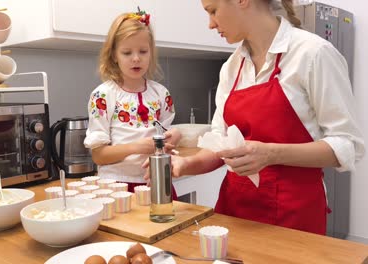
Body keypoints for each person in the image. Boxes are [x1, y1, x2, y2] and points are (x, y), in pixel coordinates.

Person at [145, 0, 365, 235]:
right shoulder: (232, 67)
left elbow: (347, 145)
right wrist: (187, 164)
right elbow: (220, 140)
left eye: (213, 10)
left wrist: (271, 153)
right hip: (235, 210)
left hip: (294, 216)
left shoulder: (312, 54)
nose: (210, 24)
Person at [84, 10, 181, 196]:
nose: (136, 58)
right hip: (115, 186)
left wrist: (174, 136)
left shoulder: (161, 94)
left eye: (143, 51)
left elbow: (165, 140)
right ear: (113, 55)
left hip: (157, 181)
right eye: (127, 52)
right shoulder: (103, 96)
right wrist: (136, 147)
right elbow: (99, 156)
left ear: (151, 52)